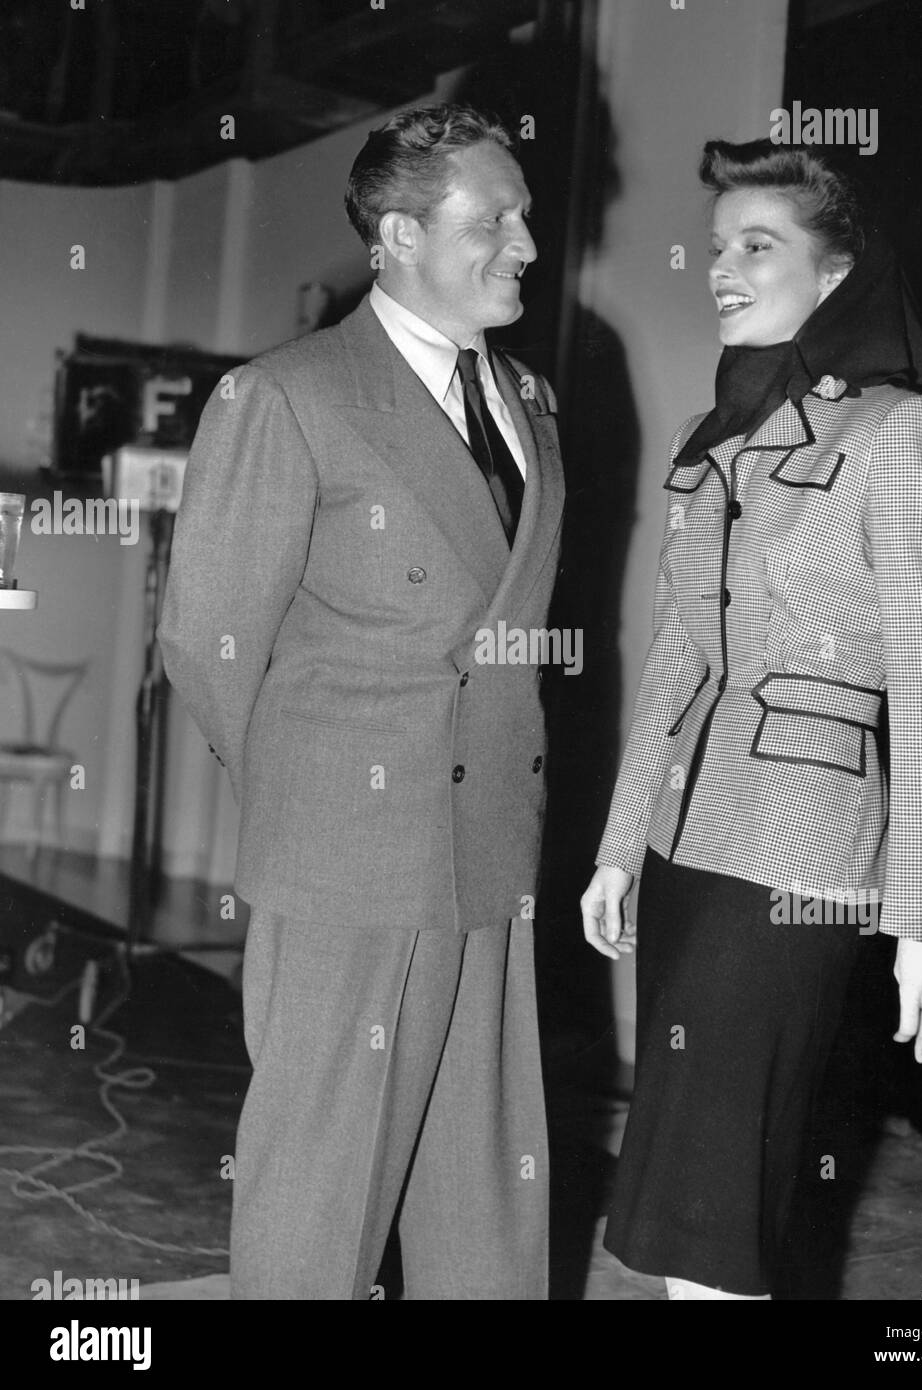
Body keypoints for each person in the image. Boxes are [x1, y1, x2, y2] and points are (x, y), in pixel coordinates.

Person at [159, 104, 564, 1300]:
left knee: (485, 1185)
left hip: (494, 841)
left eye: (526, 215)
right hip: (348, 855)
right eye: (493, 218)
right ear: (396, 234)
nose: (527, 243)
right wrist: (316, 793)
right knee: (321, 1192)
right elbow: (208, 642)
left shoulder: (531, 401)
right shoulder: (283, 396)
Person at [580, 140, 922, 1301]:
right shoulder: (719, 445)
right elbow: (675, 663)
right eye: (717, 246)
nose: (721, 268)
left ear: (837, 273)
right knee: (673, 1201)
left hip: (799, 860)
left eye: (759, 246)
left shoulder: (905, 435)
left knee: (717, 1196)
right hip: (683, 846)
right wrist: (619, 844)